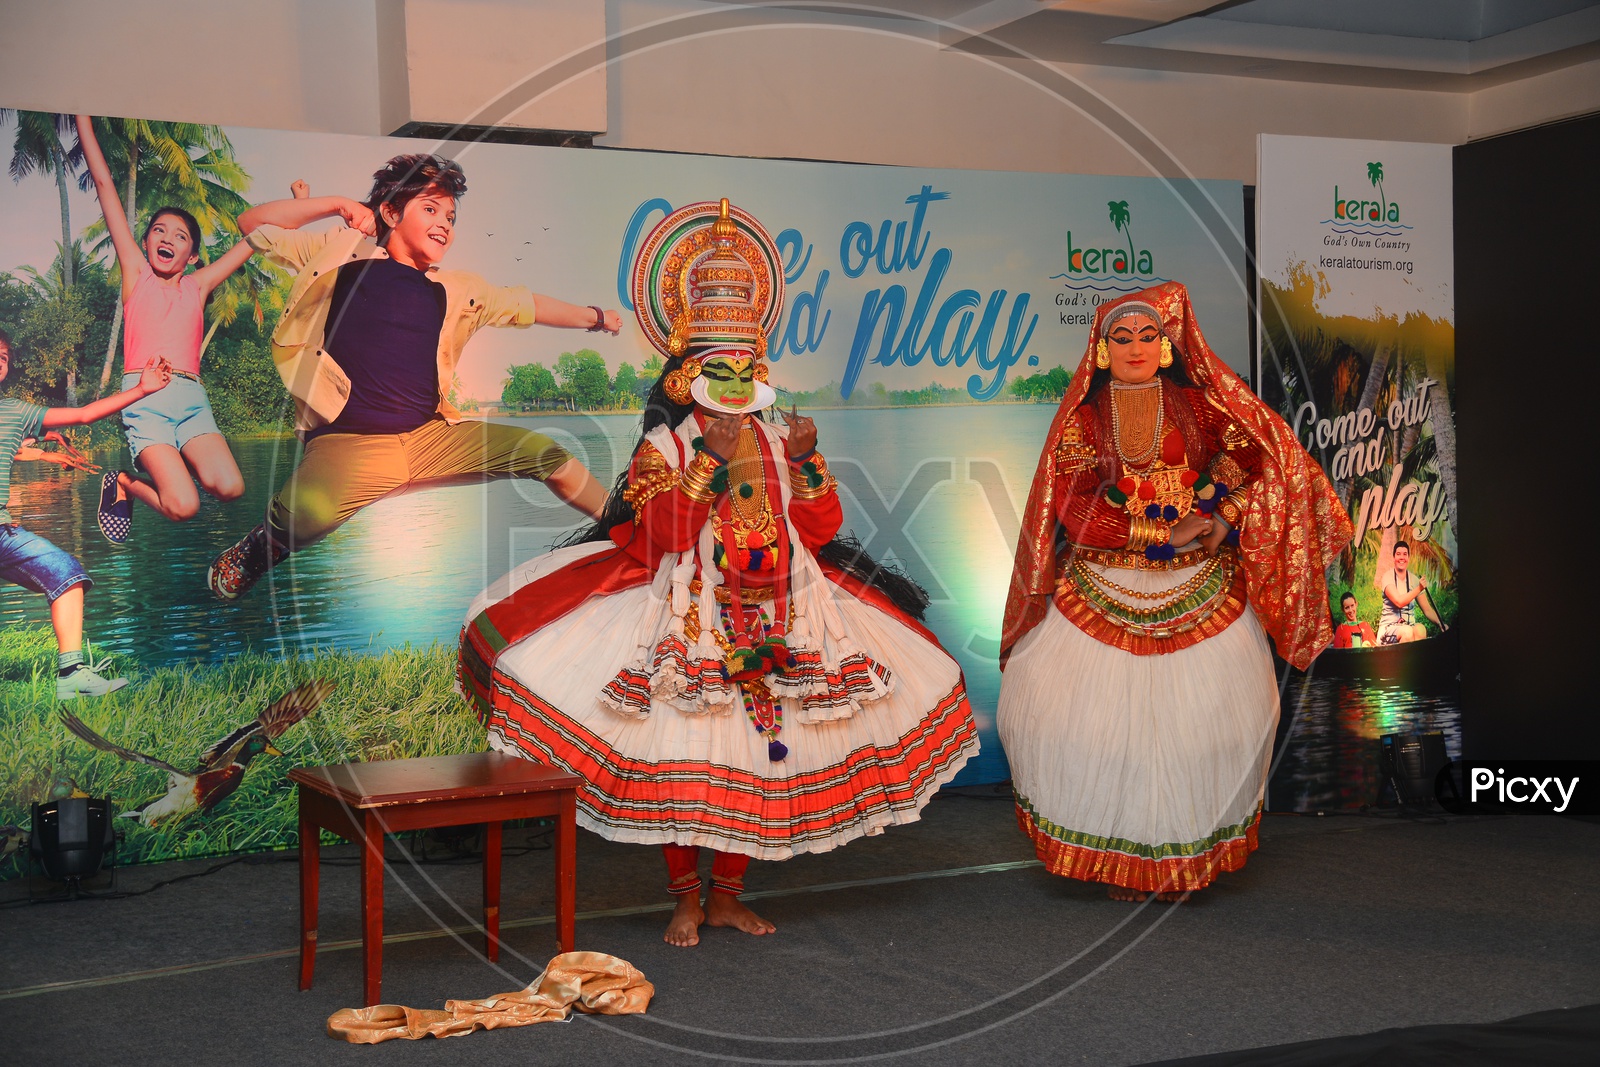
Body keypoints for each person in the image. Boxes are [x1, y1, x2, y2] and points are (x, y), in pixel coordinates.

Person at [458, 199, 978, 946]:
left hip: (788, 618)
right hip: (690, 622)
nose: (733, 381)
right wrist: (706, 458)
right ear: (686, 377)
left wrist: (805, 462)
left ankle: (728, 893)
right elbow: (663, 536)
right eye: (716, 369)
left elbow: (821, 531)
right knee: (685, 761)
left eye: (745, 369)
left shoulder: (778, 439)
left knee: (761, 764)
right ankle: (683, 898)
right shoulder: (664, 448)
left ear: (761, 373)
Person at [998, 283, 1350, 903]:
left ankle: (1183, 858)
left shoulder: (1201, 406)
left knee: (1207, 726)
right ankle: (1117, 856)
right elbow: (1074, 507)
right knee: (1083, 725)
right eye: (1122, 338)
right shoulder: (1083, 418)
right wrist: (1158, 529)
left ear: (1166, 348)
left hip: (1201, 582)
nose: (1136, 347)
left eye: (1148, 337)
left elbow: (1254, 460)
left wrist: (1221, 516)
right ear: (1102, 351)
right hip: (1103, 581)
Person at [206, 153, 618, 599]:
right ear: (390, 212)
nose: (444, 223)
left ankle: (624, 531)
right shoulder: (342, 251)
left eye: (451, 216)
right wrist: (337, 205)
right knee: (298, 520)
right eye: (430, 208)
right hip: (351, 444)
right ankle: (260, 548)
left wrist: (595, 317)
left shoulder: (460, 290)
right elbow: (252, 224)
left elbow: (528, 305)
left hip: (430, 439)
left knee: (545, 452)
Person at [75, 115, 254, 544]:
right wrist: (82, 120)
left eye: (179, 235)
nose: (166, 237)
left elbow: (256, 241)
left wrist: (298, 201)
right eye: (158, 230)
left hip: (193, 400)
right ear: (146, 241)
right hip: (147, 398)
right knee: (183, 506)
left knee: (231, 488)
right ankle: (125, 483)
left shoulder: (199, 284)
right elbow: (104, 187)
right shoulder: (137, 274)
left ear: (192, 255)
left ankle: (175, 458)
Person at [1, 327, 173, 697]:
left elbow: (82, 415)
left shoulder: (16, 412)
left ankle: (71, 676)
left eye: (1, 358)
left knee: (68, 573)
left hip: (2, 534)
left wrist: (141, 390)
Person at [1378, 541, 1445, 644]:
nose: (1402, 557)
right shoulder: (1387, 576)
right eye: (1398, 554)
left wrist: (1441, 624)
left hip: (1408, 626)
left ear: (1408, 558)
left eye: (1405, 554)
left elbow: (1427, 610)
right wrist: (1419, 588)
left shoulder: (1414, 579)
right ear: (1393, 557)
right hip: (1389, 628)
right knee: (1407, 631)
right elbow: (1399, 602)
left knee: (1420, 629)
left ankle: (1416, 659)